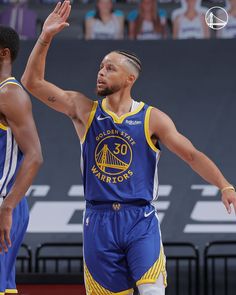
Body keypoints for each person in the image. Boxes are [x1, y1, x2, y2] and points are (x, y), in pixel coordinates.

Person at [21, 2, 236, 294]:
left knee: (152, 291)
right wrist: (45, 37)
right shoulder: (84, 110)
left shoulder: (151, 118)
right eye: (100, 67)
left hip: (140, 220)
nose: (101, 72)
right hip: (98, 221)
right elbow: (31, 82)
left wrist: (223, 184)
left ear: (129, 78)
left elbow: (191, 154)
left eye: (110, 68)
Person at [0, 26, 43, 294]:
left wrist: (7, 208)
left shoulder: (9, 94)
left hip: (5, 202)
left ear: (3, 53)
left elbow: (35, 156)